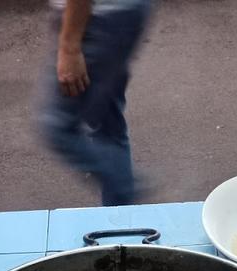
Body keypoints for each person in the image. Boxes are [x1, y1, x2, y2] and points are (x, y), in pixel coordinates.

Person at [41, 0, 153, 206]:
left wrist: (69, 48)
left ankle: (124, 187)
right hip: (123, 12)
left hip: (98, 19)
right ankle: (120, 216)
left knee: (57, 127)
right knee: (108, 121)